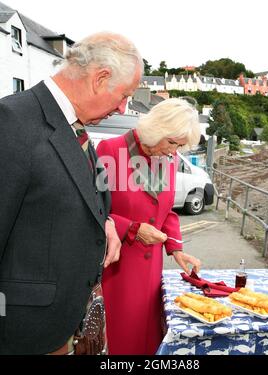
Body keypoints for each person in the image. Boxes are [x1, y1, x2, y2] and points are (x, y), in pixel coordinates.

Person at [0, 32, 143, 355]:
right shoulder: (11, 122)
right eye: (124, 96)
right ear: (100, 78)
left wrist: (104, 223)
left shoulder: (75, 127)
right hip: (23, 336)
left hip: (63, 326)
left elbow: (83, 194)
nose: (122, 108)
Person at [96, 98, 202, 355]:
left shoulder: (168, 159)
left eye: (179, 146)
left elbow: (166, 212)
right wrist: (132, 228)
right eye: (172, 142)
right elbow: (92, 209)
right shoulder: (110, 150)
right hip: (117, 270)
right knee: (120, 341)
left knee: (147, 341)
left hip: (151, 272)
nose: (173, 151)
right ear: (157, 129)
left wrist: (176, 248)